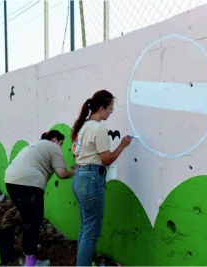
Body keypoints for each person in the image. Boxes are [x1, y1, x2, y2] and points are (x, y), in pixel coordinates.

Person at [71, 90, 132, 266]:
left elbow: (76, 152)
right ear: (101, 108)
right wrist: (123, 145)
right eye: (110, 109)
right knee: (91, 231)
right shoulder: (98, 129)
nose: (111, 113)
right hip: (91, 180)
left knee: (86, 228)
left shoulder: (82, 127)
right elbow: (106, 160)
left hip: (80, 178)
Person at [4, 130, 77, 267]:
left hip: (10, 181)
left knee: (28, 219)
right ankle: (31, 262)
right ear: (55, 139)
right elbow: (61, 174)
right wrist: (74, 170)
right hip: (29, 184)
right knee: (33, 221)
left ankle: (29, 250)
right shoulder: (53, 147)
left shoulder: (34, 145)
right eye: (61, 143)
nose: (60, 147)